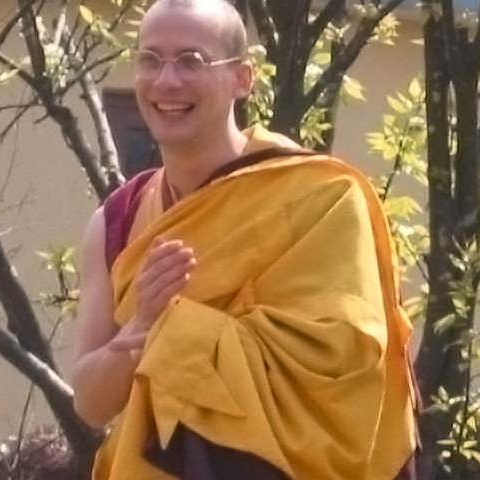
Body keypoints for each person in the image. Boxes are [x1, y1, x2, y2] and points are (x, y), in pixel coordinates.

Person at [71, 0, 418, 478]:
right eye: (151, 59)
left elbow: (347, 369)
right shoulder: (117, 220)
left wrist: (182, 333)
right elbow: (90, 402)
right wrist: (141, 328)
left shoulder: (321, 198)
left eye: (191, 60)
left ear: (241, 78)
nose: (167, 81)